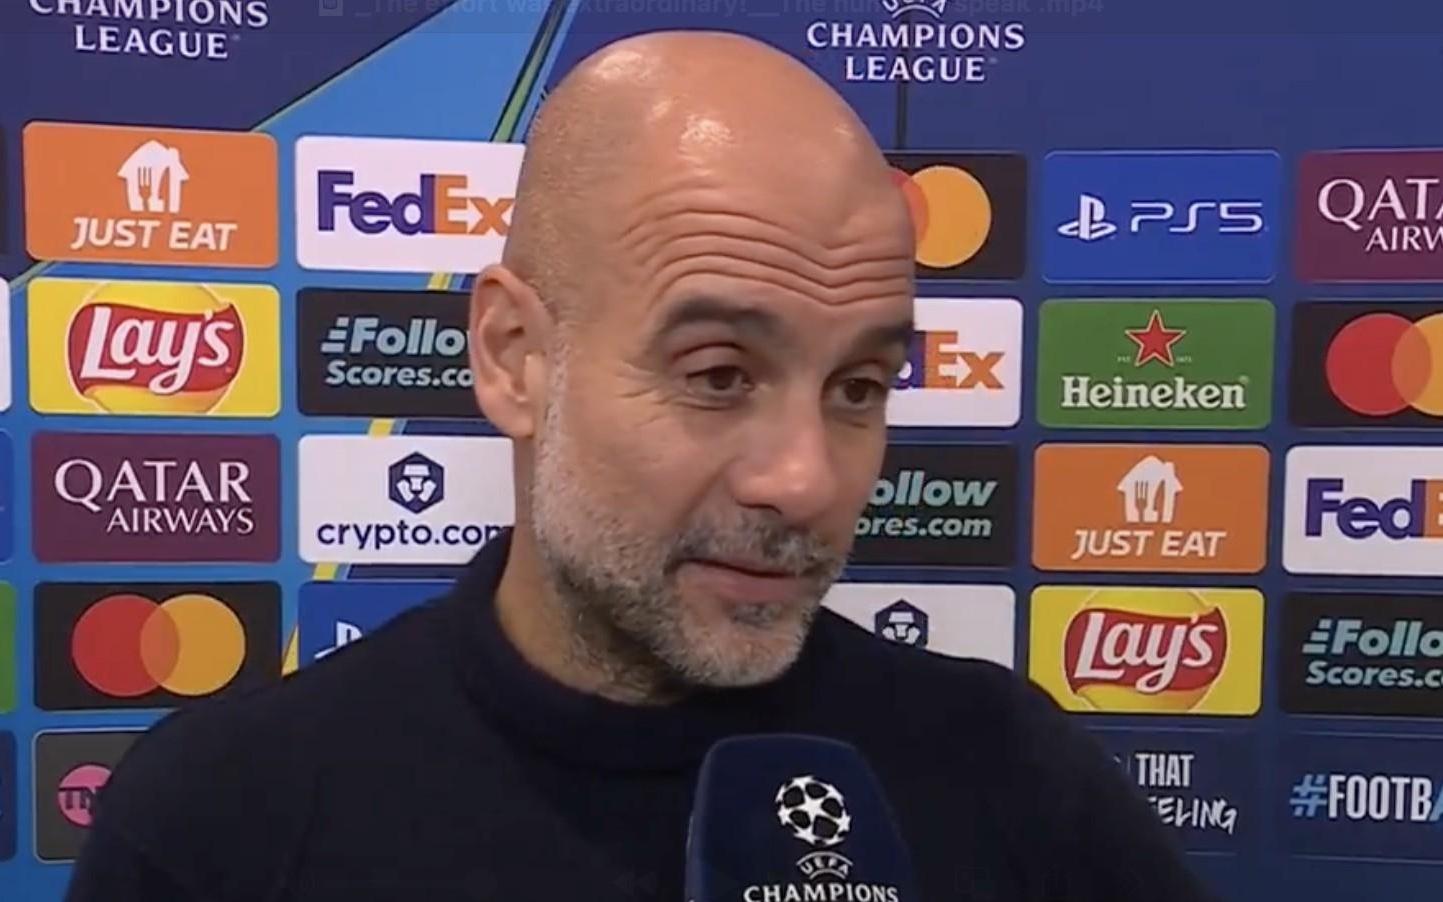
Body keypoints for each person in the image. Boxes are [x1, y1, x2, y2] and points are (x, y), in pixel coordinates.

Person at [66, 30, 1216, 902]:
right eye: (718, 373)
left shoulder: (1013, 774)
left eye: (859, 387)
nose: (807, 481)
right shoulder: (225, 815)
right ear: (514, 357)